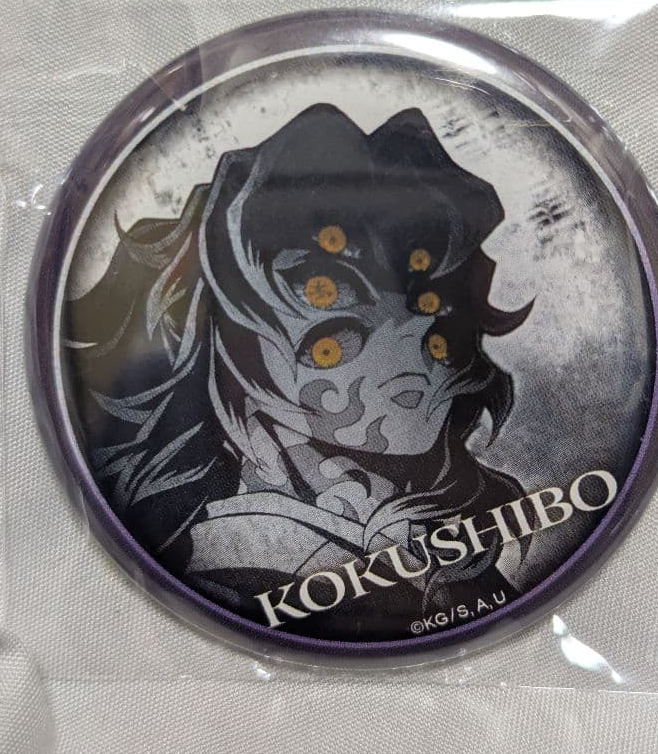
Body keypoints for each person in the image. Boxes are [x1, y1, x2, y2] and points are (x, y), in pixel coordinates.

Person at [64, 104, 533, 640]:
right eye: (335, 339)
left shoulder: (435, 532)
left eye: (429, 313)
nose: (411, 353)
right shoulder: (242, 560)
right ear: (234, 353)